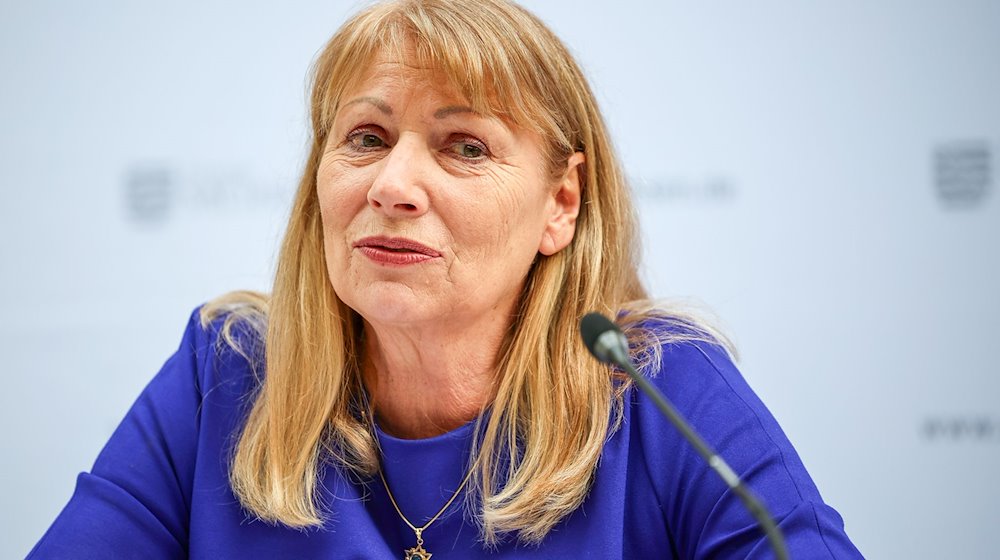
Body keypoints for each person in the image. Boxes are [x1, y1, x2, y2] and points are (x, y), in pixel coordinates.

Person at [30, 0, 863, 558]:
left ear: (560, 204)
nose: (393, 185)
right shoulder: (229, 373)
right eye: (365, 136)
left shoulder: (657, 389)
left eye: (465, 146)